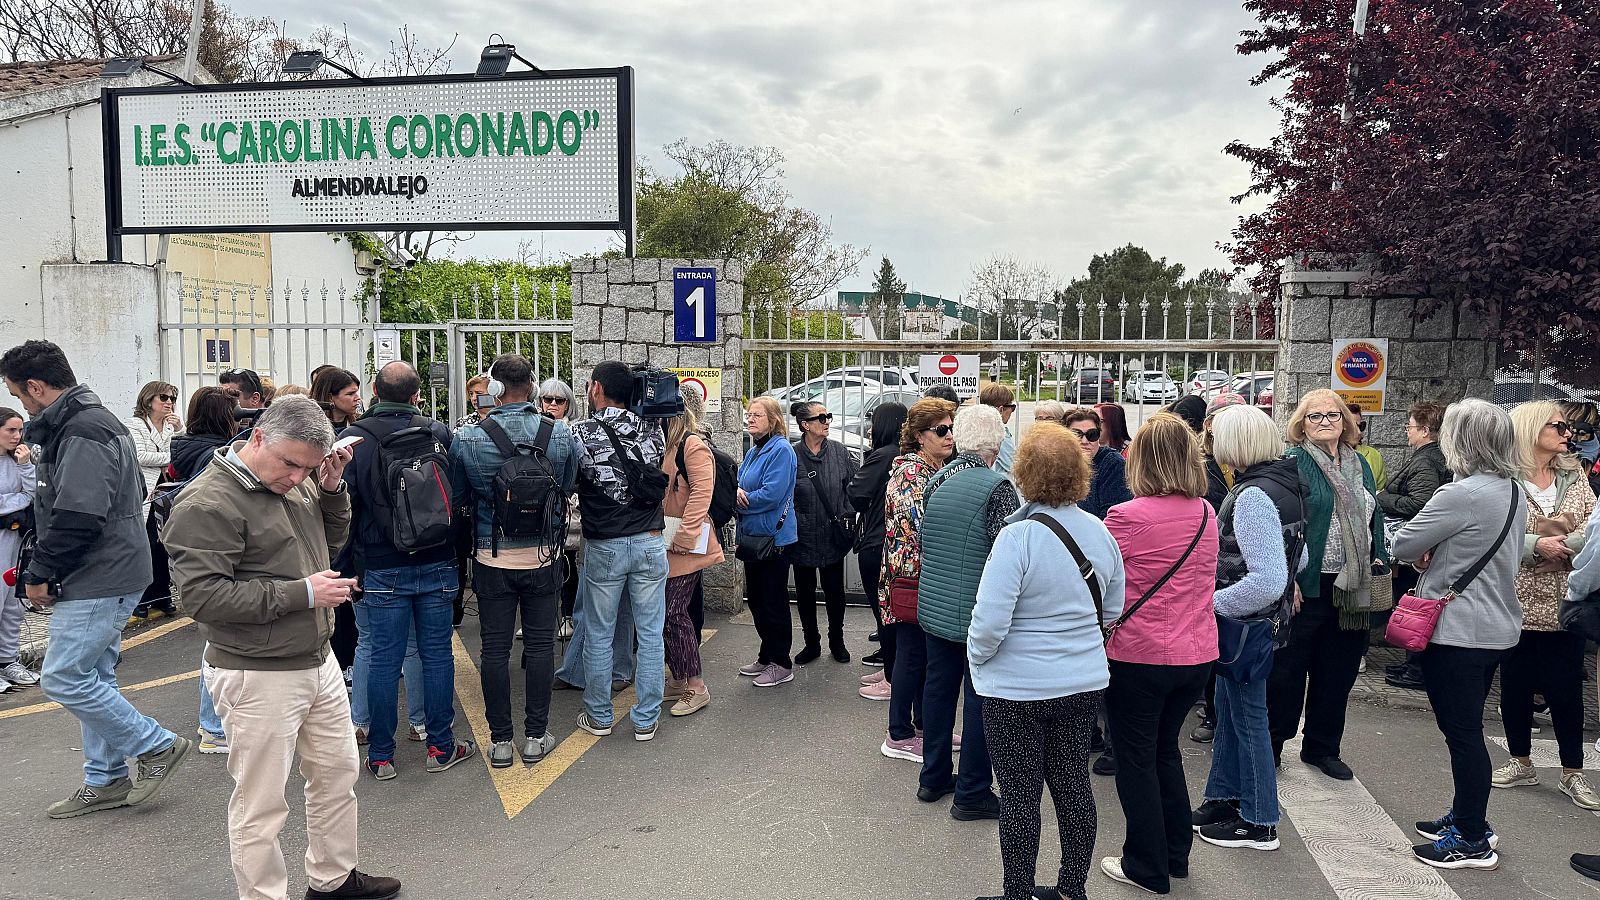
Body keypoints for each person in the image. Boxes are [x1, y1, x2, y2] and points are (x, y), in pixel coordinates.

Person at [164, 396, 399, 900]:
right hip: (256, 672)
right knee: (262, 804)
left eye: (308, 468)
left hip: (316, 659)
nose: (297, 477)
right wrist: (303, 594)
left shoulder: (295, 481)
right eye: (291, 464)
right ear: (257, 437)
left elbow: (326, 544)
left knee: (336, 776)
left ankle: (334, 879)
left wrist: (331, 490)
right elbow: (200, 598)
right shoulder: (207, 503)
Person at [2, 341, 190, 820]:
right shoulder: (87, 422)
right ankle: (105, 779)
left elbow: (79, 515)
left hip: (100, 573)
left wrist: (40, 573)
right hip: (109, 568)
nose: (20, 404)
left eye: (18, 394)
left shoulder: (83, 428)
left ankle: (155, 745)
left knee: (64, 676)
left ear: (35, 387)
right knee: (93, 676)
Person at [968, 424, 1126, 900]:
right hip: (1081, 683)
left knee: (1020, 797)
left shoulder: (1016, 538)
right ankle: (1072, 888)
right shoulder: (1100, 532)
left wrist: (979, 660)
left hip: (1016, 690)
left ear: (1023, 474)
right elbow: (1113, 609)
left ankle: (1017, 891)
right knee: (1073, 787)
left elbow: (989, 623)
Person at [1390, 398, 1528, 871]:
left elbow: (1404, 542)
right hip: (1496, 626)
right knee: (1467, 730)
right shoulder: (1513, 490)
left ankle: (1470, 836)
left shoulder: (1460, 494)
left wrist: (1428, 550)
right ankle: (1468, 816)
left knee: (1464, 735)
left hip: (1457, 630)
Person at [1100, 413, 1219, 893]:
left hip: (1139, 653)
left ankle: (1145, 865)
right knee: (1164, 751)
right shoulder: (1206, 512)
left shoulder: (1126, 517)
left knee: (1135, 759)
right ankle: (1174, 854)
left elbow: (1101, 580)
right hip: (1197, 652)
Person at [342, 361, 474, 779]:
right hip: (436, 558)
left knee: (383, 658)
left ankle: (382, 757)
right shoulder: (438, 433)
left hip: (381, 565)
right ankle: (440, 747)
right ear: (417, 395)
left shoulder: (354, 439)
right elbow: (459, 497)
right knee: (436, 654)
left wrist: (348, 568)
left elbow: (343, 511)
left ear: (374, 391)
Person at [451, 354, 578, 765]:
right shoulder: (559, 433)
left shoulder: (468, 437)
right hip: (544, 556)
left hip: (493, 557)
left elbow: (459, 497)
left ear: (495, 389)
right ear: (533, 387)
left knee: (494, 649)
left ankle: (501, 742)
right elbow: (568, 485)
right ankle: (536, 737)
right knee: (541, 647)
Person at [1191, 405, 1305, 855]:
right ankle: (1222, 797)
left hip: (1245, 626)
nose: (1212, 444)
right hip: (1261, 624)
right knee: (1230, 710)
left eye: (1217, 437)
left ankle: (1259, 821)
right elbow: (1299, 559)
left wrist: (1209, 605)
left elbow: (1268, 579)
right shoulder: (1284, 483)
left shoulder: (1253, 494)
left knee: (1249, 720)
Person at [1269, 388, 1387, 780]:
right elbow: (1282, 521)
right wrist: (1287, 576)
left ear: (1345, 422)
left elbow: (1373, 513)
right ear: (1301, 425)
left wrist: (1378, 554)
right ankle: (1273, 743)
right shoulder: (1293, 462)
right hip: (1307, 584)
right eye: (1315, 416)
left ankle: (1322, 747)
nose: (1325, 422)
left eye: (1332, 415)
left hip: (1350, 586)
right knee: (1287, 673)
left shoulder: (1359, 463)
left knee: (1338, 673)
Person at [1490, 401, 1599, 808]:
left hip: (1565, 600)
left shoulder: (1575, 474)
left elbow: (1593, 526)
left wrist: (1563, 547)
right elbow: (1495, 531)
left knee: (1566, 688)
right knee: (1515, 684)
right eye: (1559, 426)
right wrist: (1537, 545)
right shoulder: (1503, 477)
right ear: (1532, 429)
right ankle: (1521, 761)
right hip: (1514, 598)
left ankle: (1573, 771)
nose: (1567, 433)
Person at [915, 404, 1016, 820]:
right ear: (996, 443)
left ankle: (933, 777)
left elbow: (925, 539)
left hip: (934, 607)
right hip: (976, 612)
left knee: (938, 691)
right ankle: (972, 791)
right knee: (980, 699)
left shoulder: (937, 480)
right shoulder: (998, 488)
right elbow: (1007, 555)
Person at [570, 361, 669, 737]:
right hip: (649, 541)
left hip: (605, 544)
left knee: (599, 633)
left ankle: (599, 716)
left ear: (596, 388)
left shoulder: (580, 432)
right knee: (650, 633)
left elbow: (571, 481)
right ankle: (646, 719)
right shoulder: (653, 428)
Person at [878, 397, 956, 761]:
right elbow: (921, 527)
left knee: (925, 656)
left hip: (925, 575)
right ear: (920, 435)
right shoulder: (911, 473)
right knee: (910, 656)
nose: (949, 435)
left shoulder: (934, 469)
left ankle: (928, 728)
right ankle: (899, 734)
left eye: (951, 428)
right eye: (941, 430)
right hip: (912, 578)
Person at [1378, 402, 1450, 690]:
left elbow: (1421, 502)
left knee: (1415, 601)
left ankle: (1416, 667)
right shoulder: (1434, 457)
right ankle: (1413, 662)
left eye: (1409, 427)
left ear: (1424, 430)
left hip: (1419, 545)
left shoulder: (1425, 461)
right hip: (1426, 544)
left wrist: (1382, 498)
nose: (1406, 432)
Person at [1191, 392, 1249, 743]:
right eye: (1225, 418)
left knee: (1237, 645)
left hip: (1244, 565)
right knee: (1214, 641)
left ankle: (1228, 716)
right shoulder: (1199, 463)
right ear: (1210, 425)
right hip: (1209, 565)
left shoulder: (1250, 461)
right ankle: (1213, 714)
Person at [661, 399, 722, 716]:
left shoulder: (692, 445)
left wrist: (685, 535)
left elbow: (701, 494)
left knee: (674, 612)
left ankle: (696, 686)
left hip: (684, 543)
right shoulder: (667, 444)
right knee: (666, 614)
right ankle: (678, 677)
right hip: (666, 541)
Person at [788, 400, 859, 665]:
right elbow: (785, 494)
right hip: (802, 537)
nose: (827, 421)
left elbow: (854, 487)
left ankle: (837, 641)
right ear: (805, 425)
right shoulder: (792, 455)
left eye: (827, 416)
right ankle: (811, 643)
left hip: (832, 536)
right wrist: (797, 520)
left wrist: (846, 514)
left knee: (835, 593)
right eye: (821, 417)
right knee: (805, 594)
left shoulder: (839, 452)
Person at [736, 395, 799, 687]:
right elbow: (740, 484)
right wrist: (737, 493)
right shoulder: (754, 450)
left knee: (773, 602)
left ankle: (782, 663)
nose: (750, 419)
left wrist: (742, 500)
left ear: (773, 421)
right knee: (758, 601)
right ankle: (767, 655)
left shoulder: (781, 450)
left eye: (757, 415)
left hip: (774, 539)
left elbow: (772, 495)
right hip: (753, 537)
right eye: (749, 414)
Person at [848, 401, 908, 683]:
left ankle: (891, 677)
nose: (870, 430)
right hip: (895, 542)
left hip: (876, 540)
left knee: (884, 611)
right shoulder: (905, 455)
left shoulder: (884, 456)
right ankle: (889, 670)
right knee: (893, 610)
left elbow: (856, 493)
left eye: (874, 423)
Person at [126, 381, 182, 624]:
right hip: (145, 492)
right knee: (146, 545)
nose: (169, 402)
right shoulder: (135, 424)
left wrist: (179, 430)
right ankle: (141, 599)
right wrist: (171, 457)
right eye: (163, 397)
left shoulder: (171, 426)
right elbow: (139, 456)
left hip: (167, 490)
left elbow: (181, 448)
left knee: (164, 545)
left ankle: (162, 596)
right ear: (148, 400)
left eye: (172, 398)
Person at [539, 378, 582, 629]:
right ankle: (540, 618)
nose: (553, 404)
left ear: (568, 404)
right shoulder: (533, 428)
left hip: (567, 505)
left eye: (559, 400)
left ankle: (567, 615)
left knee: (566, 563)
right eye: (548, 399)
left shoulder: (573, 432)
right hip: (539, 505)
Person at [0, 408, 37, 693]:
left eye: (20, 430)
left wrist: (25, 466)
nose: (17, 436)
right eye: (10, 430)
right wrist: (19, 499)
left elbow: (34, 493)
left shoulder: (20, 459)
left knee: (14, 603)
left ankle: (8, 660)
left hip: (17, 538)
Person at [1064, 407, 1132, 520]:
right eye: (1077, 435)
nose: (1084, 441)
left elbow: (1112, 515)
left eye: (1092, 434)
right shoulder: (1058, 463)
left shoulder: (1112, 463)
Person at [979, 381, 1019, 476]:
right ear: (1001, 410)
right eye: (1012, 407)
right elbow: (1015, 466)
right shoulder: (1000, 434)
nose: (1012, 412)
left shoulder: (976, 429)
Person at [1346, 402, 1386, 489]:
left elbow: (1380, 490)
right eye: (1352, 427)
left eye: (1361, 426)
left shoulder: (1374, 455)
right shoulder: (1326, 454)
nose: (1359, 432)